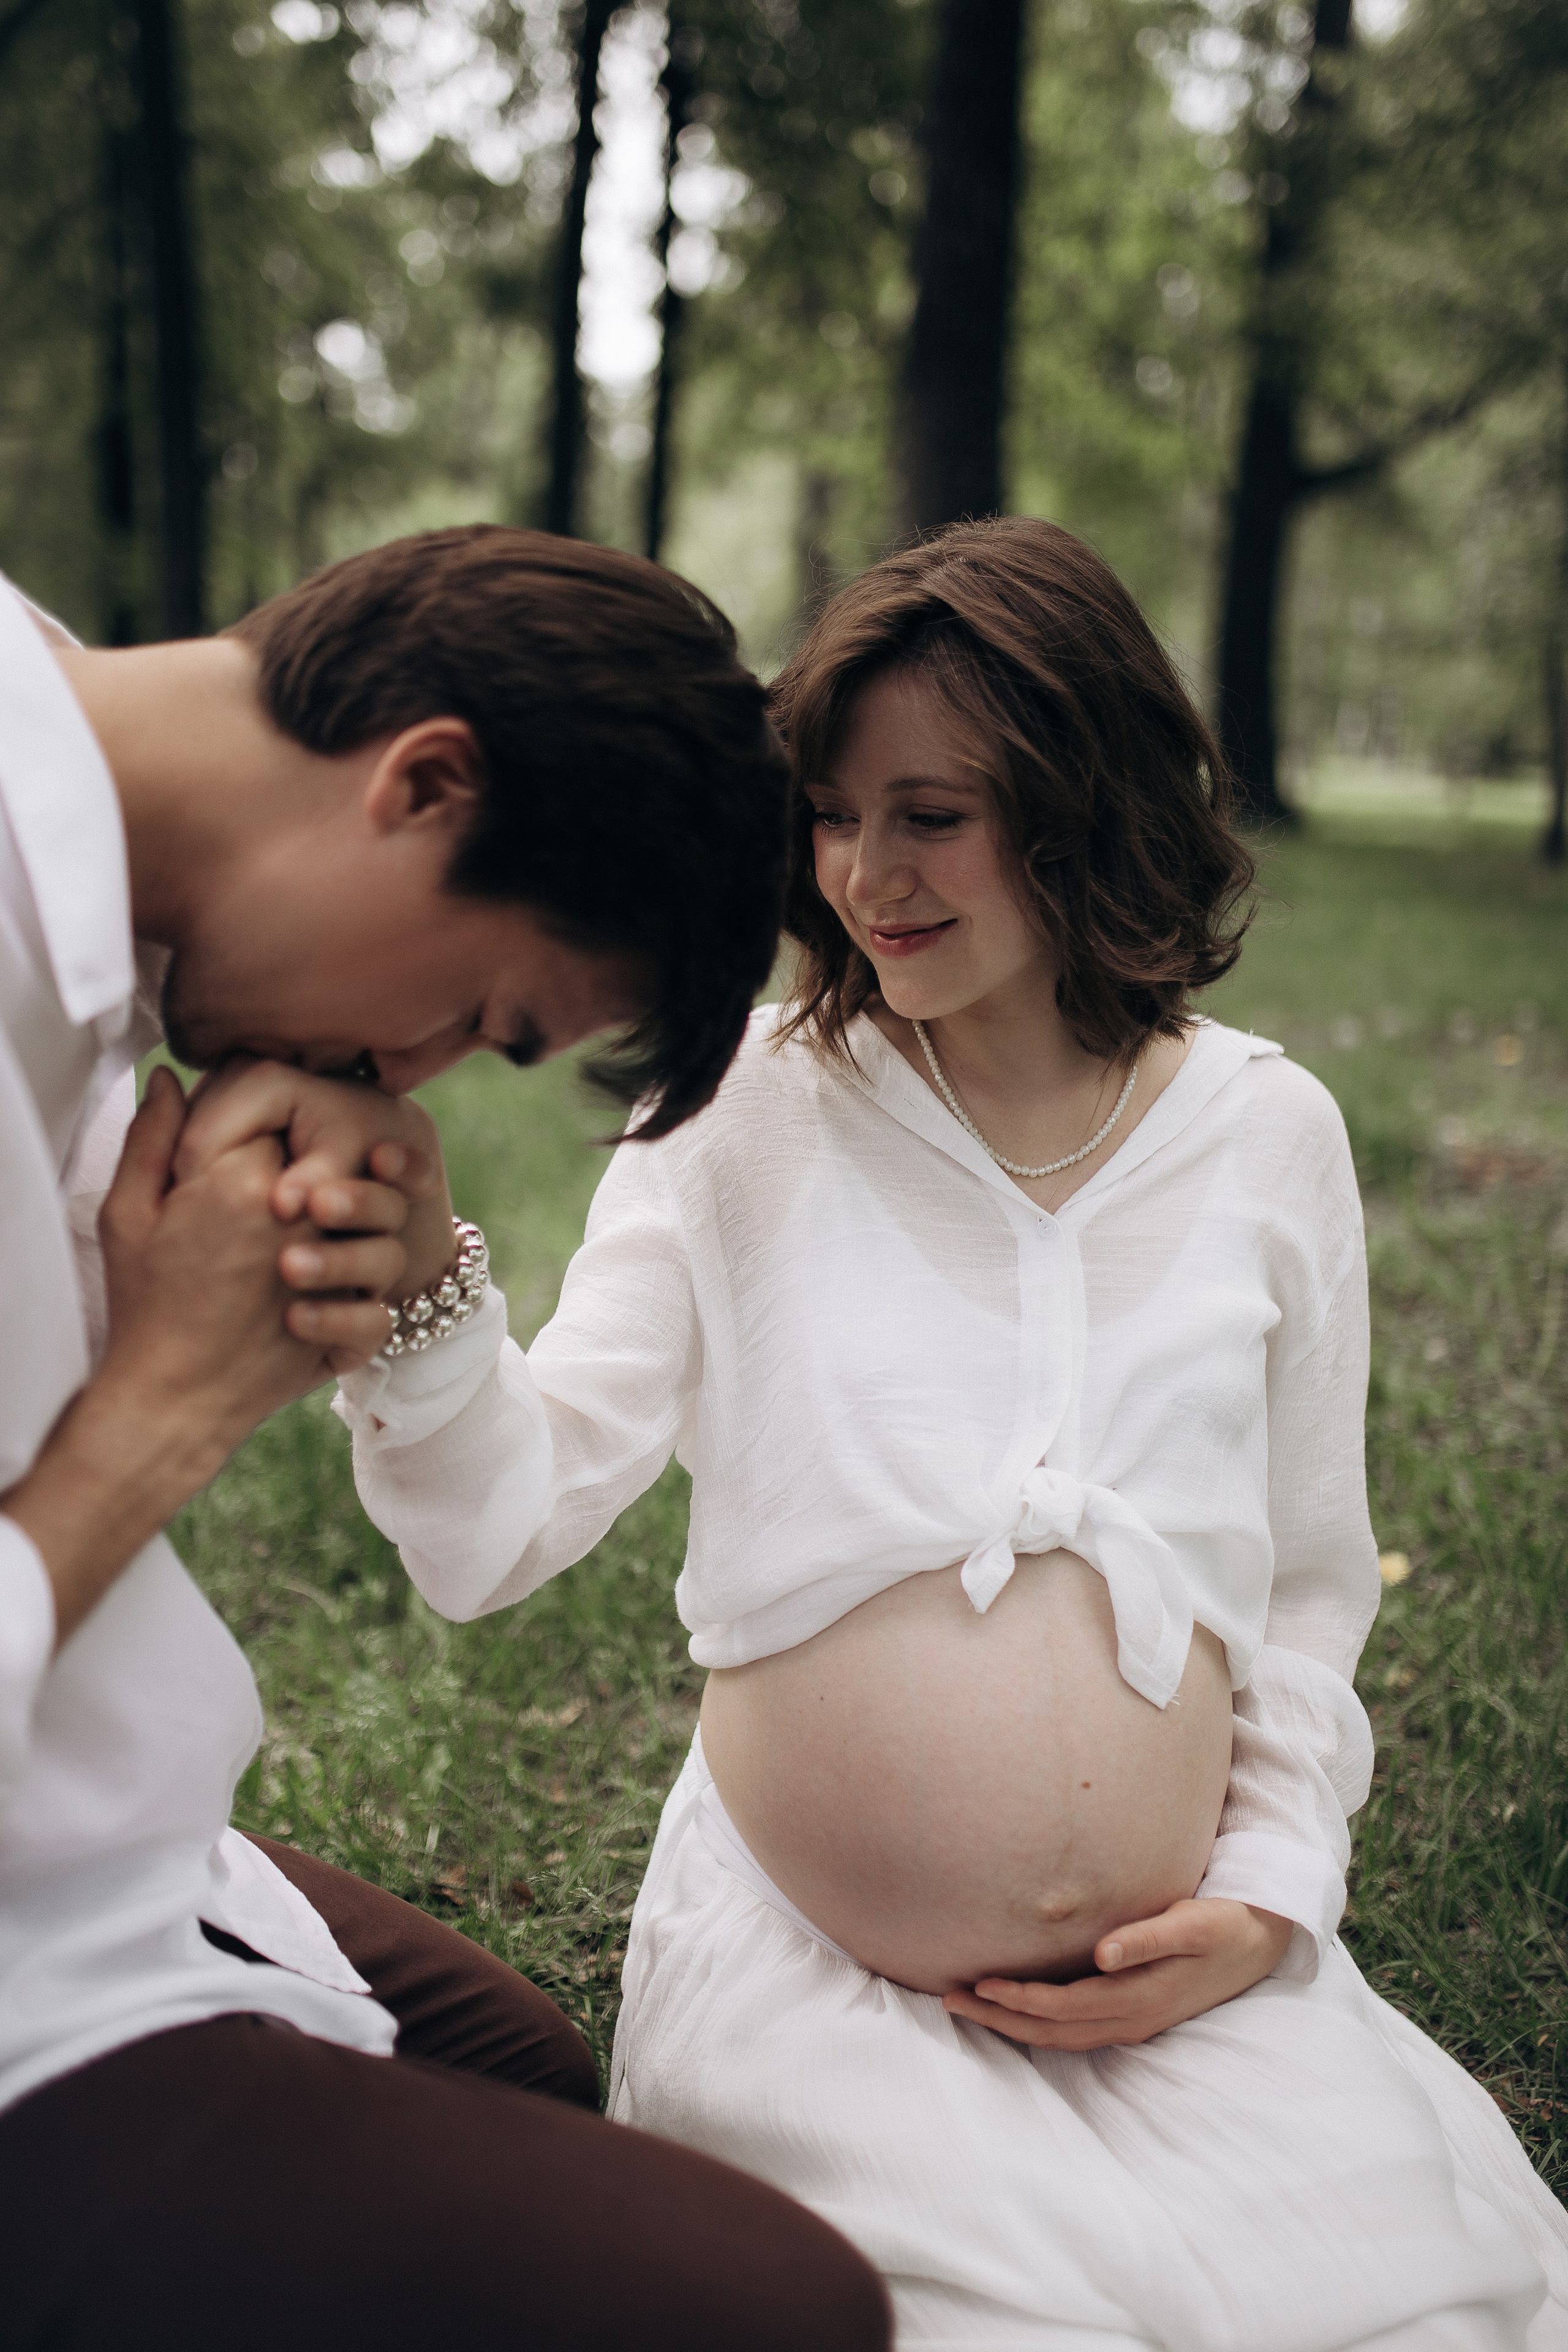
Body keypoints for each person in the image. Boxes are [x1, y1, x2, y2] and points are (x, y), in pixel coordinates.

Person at [318, 518, 1568, 2349]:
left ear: (1085, 804)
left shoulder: (1267, 1139)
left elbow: (1304, 1593)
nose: (863, 874)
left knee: (1422, 2308)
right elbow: (491, 1530)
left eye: (932, 815)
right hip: (824, 1998)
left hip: (1187, 1993)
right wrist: (426, 1309)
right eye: (831, 815)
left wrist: (1272, 1902)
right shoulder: (741, 1112)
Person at [0, 527, 891, 2352]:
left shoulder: (73, 828)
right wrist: (168, 1401)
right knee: (787, 2313)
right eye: (480, 1019)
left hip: (100, 1807)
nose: (399, 1076)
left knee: (520, 2063)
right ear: (425, 783)